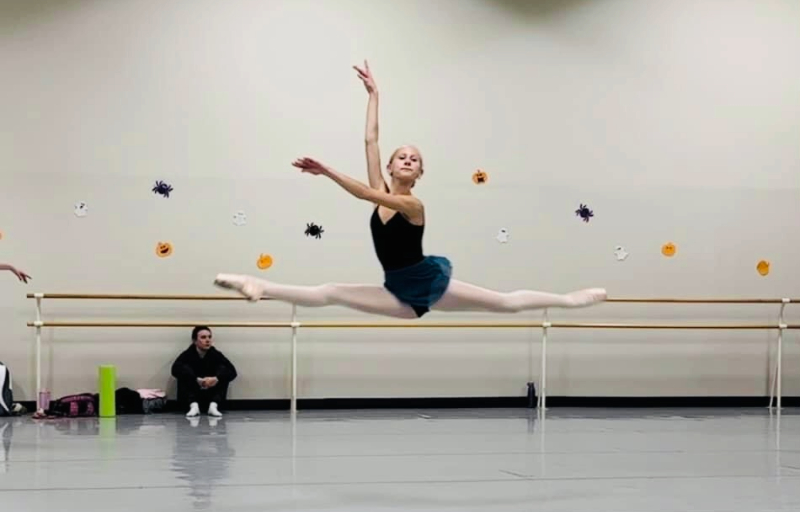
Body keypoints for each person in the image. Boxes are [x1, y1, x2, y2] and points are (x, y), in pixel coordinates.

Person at [214, 61, 606, 318]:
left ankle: (567, 299)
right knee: (331, 291)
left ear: (418, 174)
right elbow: (371, 142)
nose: (405, 160)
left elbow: (370, 196)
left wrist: (328, 171)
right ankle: (260, 285)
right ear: (390, 166)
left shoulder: (412, 205)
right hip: (398, 291)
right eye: (400, 156)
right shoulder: (381, 182)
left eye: (413, 159)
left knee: (504, 303)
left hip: (427, 282)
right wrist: (374, 96)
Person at [171, 326, 238, 418]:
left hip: (211, 396)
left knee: (223, 370)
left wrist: (216, 379)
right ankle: (193, 406)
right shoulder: (187, 354)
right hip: (191, 397)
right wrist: (196, 379)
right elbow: (174, 370)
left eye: (209, 337)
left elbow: (232, 371)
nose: (207, 340)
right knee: (184, 369)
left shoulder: (215, 354)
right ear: (195, 341)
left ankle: (213, 406)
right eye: (203, 337)